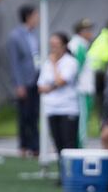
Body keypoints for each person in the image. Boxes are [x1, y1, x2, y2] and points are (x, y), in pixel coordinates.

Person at [37, 32, 79, 182]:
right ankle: (63, 174)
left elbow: (61, 80)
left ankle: (72, 175)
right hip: (52, 108)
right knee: (58, 144)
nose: (53, 48)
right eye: (51, 45)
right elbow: (41, 86)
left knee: (69, 144)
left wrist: (55, 66)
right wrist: (51, 86)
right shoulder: (47, 62)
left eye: (56, 45)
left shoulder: (70, 62)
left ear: (64, 45)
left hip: (68, 108)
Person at [7, 5, 40, 157]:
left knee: (34, 114)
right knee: (24, 115)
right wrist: (18, 84)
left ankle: (35, 146)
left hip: (36, 80)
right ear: (28, 16)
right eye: (35, 15)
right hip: (24, 81)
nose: (38, 18)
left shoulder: (35, 34)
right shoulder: (15, 36)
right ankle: (23, 145)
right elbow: (14, 63)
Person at [68, 18, 95, 147]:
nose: (90, 32)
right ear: (81, 31)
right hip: (82, 90)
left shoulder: (80, 44)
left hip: (82, 89)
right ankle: (80, 148)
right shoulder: (79, 45)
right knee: (82, 122)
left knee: (82, 122)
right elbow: (75, 69)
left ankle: (80, 146)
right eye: (88, 30)